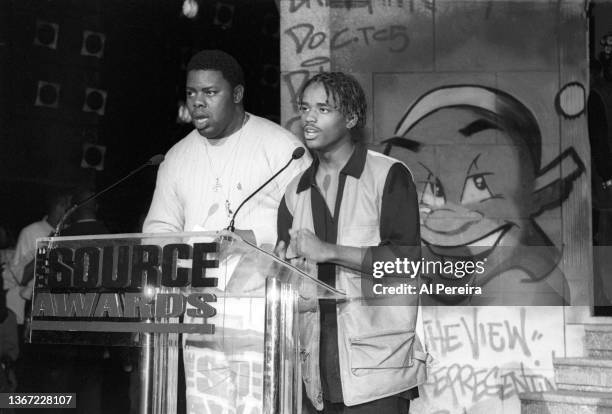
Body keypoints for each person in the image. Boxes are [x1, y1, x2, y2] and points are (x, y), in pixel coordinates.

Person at [143, 49, 310, 413]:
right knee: (206, 407)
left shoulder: (281, 148)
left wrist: (256, 241)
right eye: (191, 93)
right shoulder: (176, 158)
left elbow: (308, 226)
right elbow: (156, 230)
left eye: (210, 92)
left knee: (261, 407)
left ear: (236, 94)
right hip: (199, 306)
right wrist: (188, 247)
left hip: (262, 306)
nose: (198, 103)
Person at [276, 72, 427, 413]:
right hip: (314, 367)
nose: (309, 117)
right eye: (304, 108)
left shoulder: (388, 175)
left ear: (351, 118)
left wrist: (330, 252)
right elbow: (288, 271)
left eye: (323, 108)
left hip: (378, 366)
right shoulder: (293, 191)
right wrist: (277, 264)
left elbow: (405, 263)